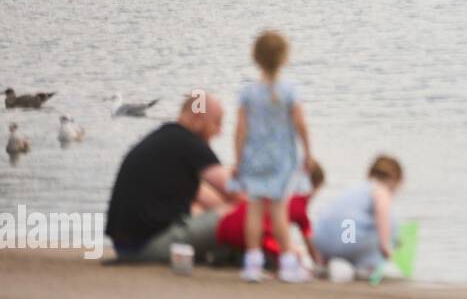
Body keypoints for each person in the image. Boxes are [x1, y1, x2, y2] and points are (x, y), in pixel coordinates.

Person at [105, 94, 235, 262]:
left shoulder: (166, 139)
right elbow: (236, 193)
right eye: (217, 123)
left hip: (125, 248)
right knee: (236, 214)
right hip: (149, 248)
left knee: (202, 208)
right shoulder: (191, 144)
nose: (220, 131)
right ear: (198, 119)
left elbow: (207, 197)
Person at [232, 31, 315, 284]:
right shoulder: (289, 91)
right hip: (281, 160)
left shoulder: (248, 93)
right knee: (279, 210)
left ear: (255, 58)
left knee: (254, 209)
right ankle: (288, 264)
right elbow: (300, 124)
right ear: (285, 58)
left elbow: (240, 128)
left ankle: (252, 263)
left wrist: (238, 159)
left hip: (254, 158)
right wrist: (309, 152)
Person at [215, 162, 325, 269]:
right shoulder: (299, 204)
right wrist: (319, 264)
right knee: (292, 255)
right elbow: (309, 241)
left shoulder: (271, 188)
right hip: (250, 235)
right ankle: (244, 258)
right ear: (311, 188)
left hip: (225, 229)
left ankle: (231, 254)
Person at [313, 155, 404, 277]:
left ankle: (323, 264)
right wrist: (386, 247)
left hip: (321, 240)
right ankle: (367, 266)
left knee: (351, 220)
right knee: (390, 225)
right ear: (394, 179)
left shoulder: (356, 189)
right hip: (347, 241)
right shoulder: (380, 189)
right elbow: (382, 214)